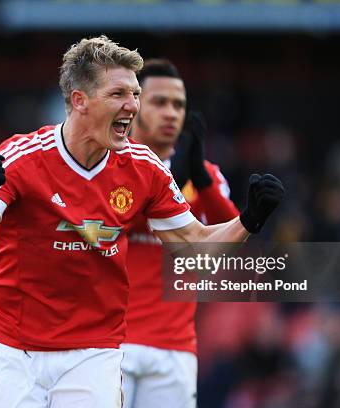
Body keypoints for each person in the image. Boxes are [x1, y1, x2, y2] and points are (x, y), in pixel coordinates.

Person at [0, 36, 284, 408]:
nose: (133, 106)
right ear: (80, 100)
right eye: (118, 94)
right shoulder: (22, 158)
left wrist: (249, 220)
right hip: (12, 347)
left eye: (136, 94)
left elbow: (195, 245)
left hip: (94, 350)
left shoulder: (145, 169)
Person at [122, 59, 239, 408]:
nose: (171, 113)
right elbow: (101, 233)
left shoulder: (208, 177)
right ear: (134, 105)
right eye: (159, 102)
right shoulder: (106, 166)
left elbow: (231, 251)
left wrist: (201, 184)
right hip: (111, 343)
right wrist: (170, 187)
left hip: (174, 349)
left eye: (179, 105)